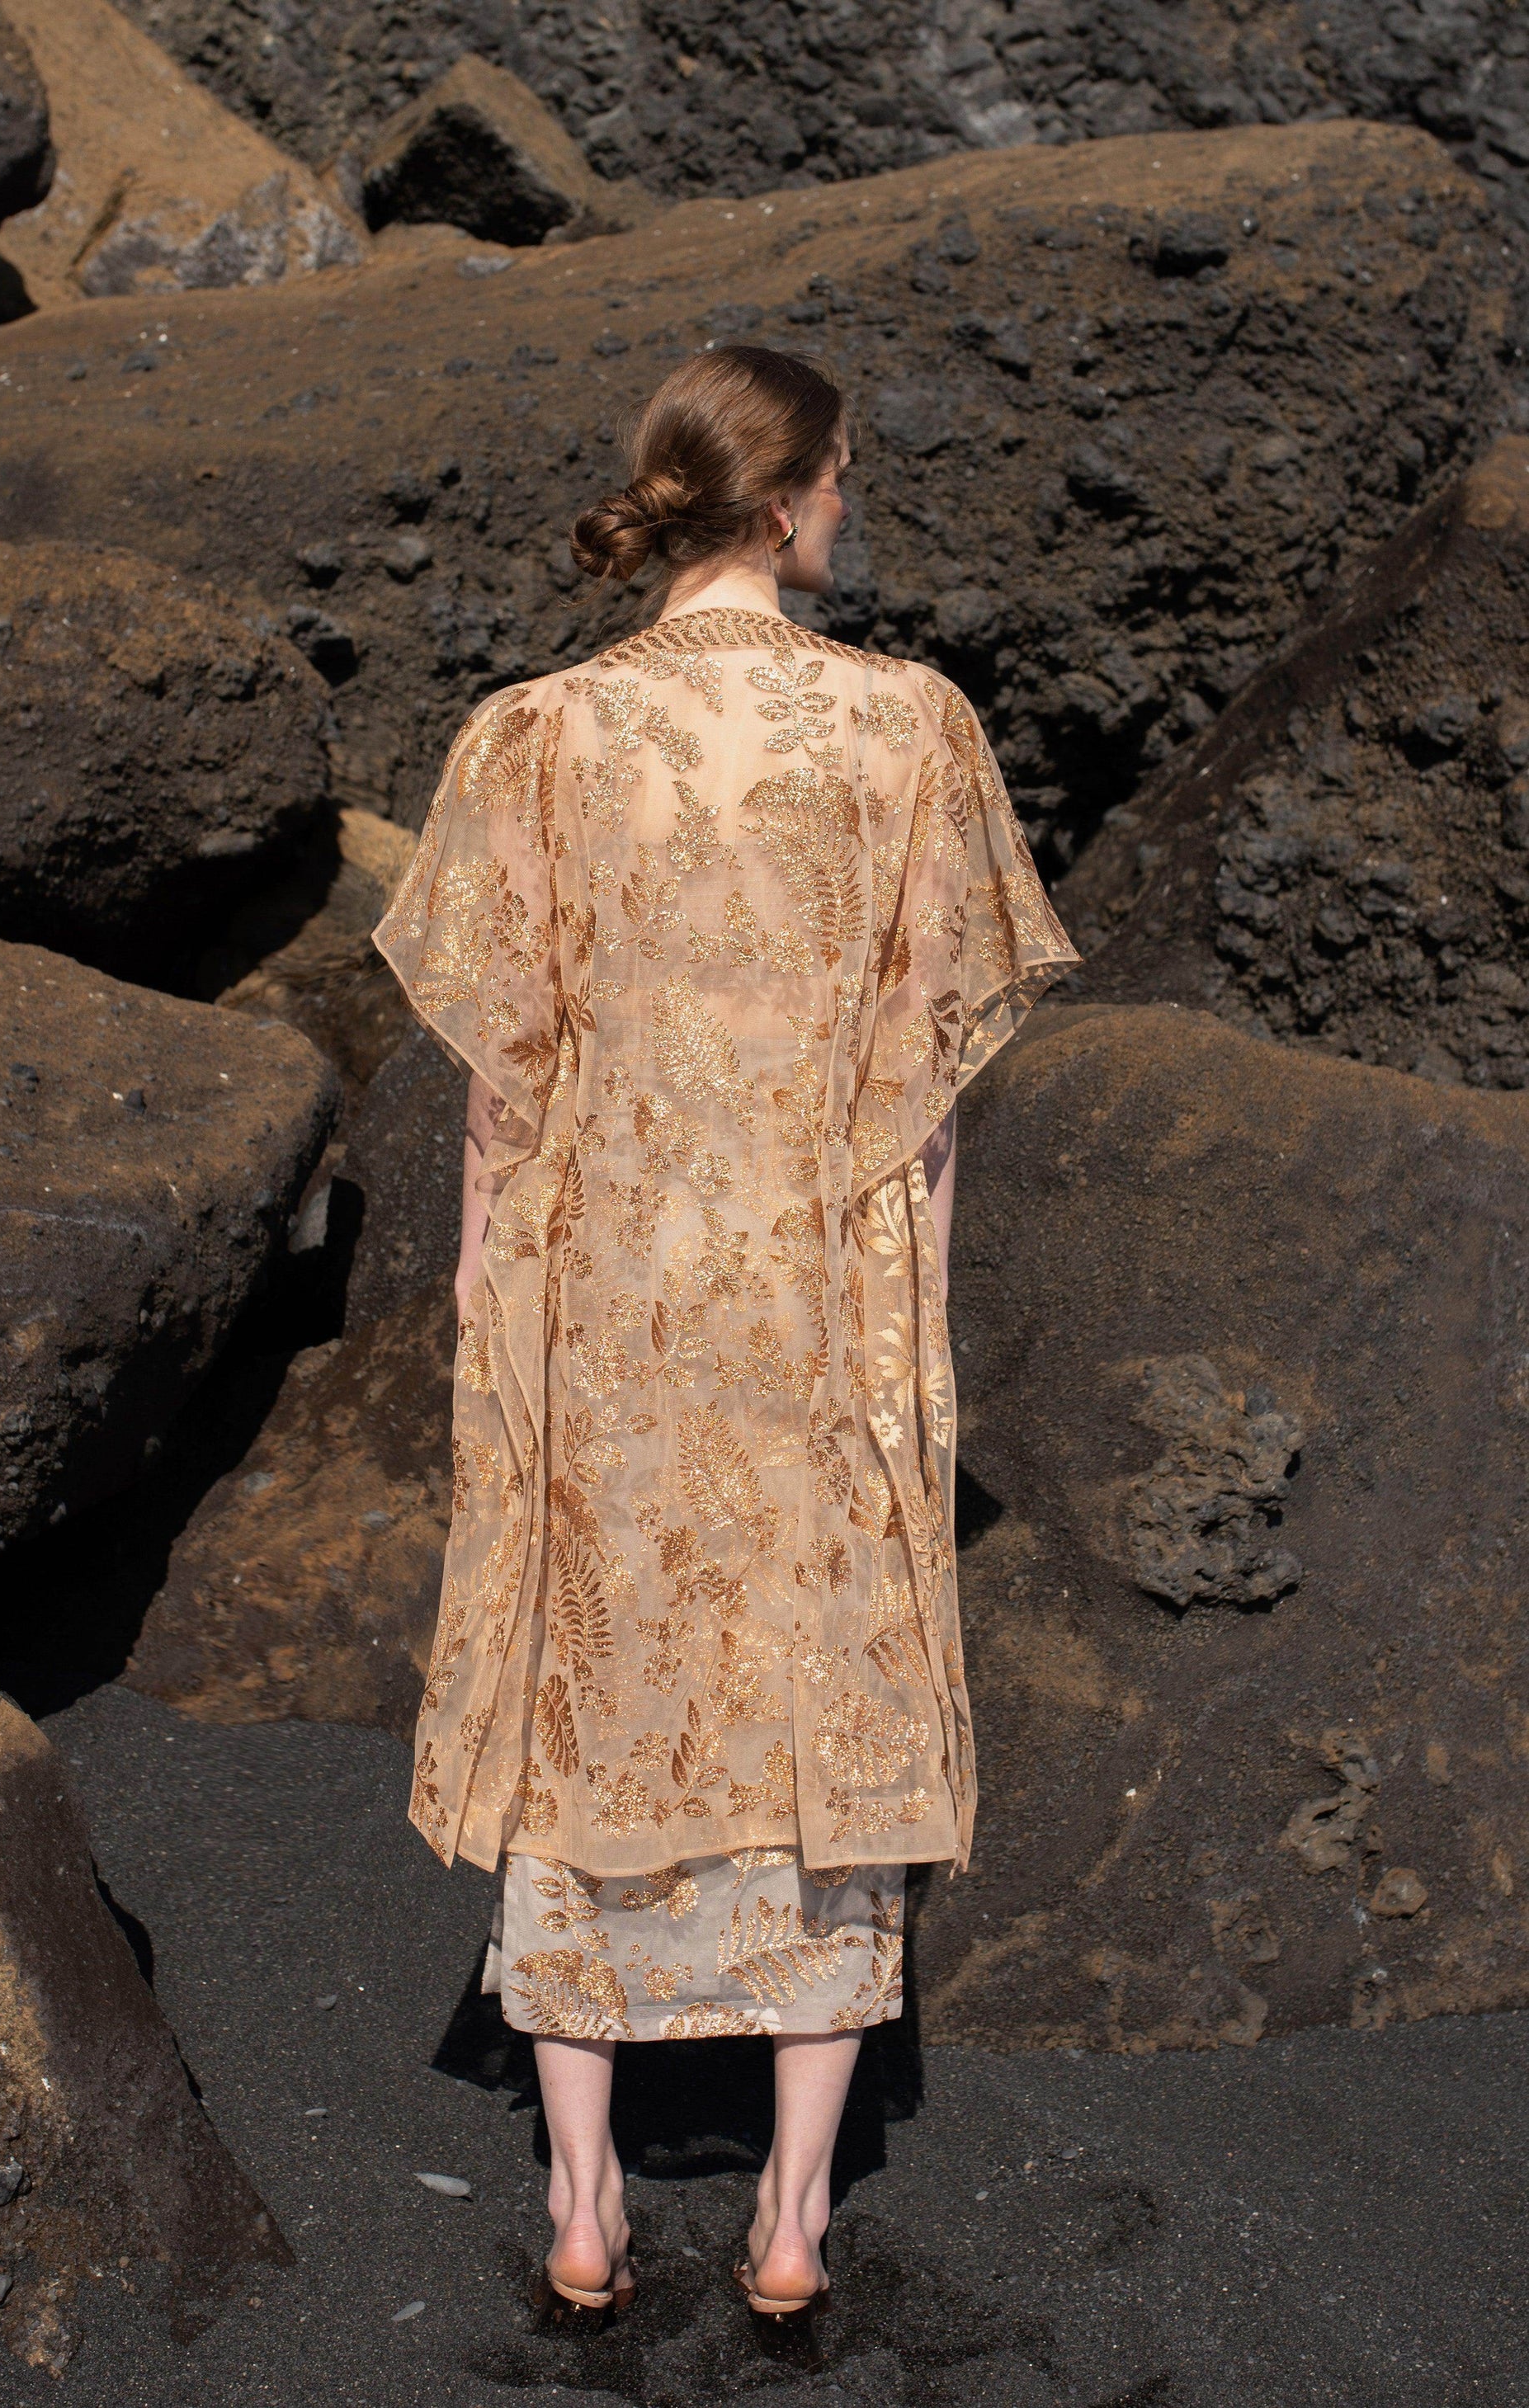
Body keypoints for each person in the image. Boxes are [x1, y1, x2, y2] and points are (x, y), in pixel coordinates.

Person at [372, 345, 1078, 2338]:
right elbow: (925, 1079)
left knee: (584, 1686)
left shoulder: (534, 733)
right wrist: (914, 1312)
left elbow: (505, 1079)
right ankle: (787, 2212)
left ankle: (584, 2199)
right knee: (823, 1691)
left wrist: (486, 1285)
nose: (849, 506)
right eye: (839, 478)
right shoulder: (910, 723)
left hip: (603, 1289)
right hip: (816, 1289)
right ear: (785, 497)